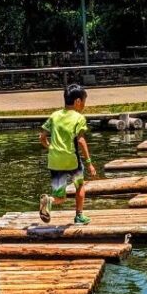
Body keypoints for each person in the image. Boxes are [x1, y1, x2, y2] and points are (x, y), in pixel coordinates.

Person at [38, 84, 97, 226]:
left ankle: (49, 201)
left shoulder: (54, 115)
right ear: (77, 101)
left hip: (55, 160)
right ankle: (79, 216)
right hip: (71, 160)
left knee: (60, 197)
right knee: (80, 186)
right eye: (84, 101)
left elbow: (42, 136)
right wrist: (89, 163)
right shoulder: (79, 118)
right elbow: (81, 141)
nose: (84, 105)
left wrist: (50, 147)